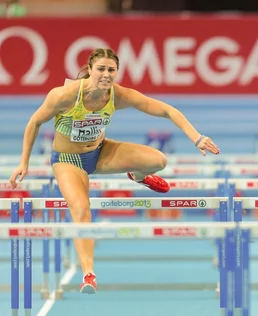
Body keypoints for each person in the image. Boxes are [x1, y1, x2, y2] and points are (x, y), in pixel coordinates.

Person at [9, 48, 220, 294]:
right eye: (101, 69)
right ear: (89, 70)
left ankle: (138, 175)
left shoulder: (117, 96)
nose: (106, 75)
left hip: (100, 153)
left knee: (158, 160)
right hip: (68, 160)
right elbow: (34, 122)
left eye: (111, 70)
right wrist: (24, 162)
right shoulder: (64, 96)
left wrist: (196, 138)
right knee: (81, 210)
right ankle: (89, 274)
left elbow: (167, 110)